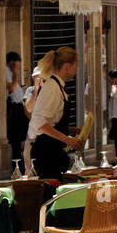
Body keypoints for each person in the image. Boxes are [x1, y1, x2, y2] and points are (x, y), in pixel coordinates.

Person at [26, 47, 82, 179]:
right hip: (46, 153)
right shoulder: (52, 87)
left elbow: (52, 122)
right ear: (67, 66)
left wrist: (74, 130)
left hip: (54, 152)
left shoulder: (58, 87)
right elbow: (39, 122)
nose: (77, 69)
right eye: (76, 65)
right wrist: (67, 140)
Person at [5, 51, 29, 172]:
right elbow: (11, 88)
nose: (18, 69)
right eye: (17, 66)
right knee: (17, 140)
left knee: (23, 138)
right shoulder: (7, 72)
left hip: (19, 108)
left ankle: (21, 163)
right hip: (14, 110)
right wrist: (15, 73)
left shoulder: (10, 73)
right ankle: (17, 166)